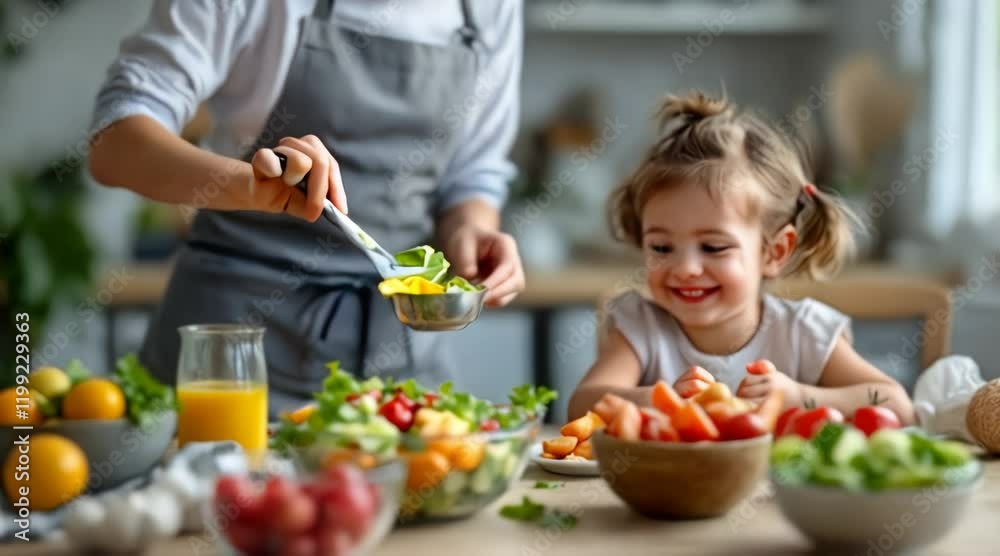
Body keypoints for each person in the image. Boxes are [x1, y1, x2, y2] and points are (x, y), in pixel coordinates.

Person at [87, 0, 525, 416]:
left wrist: (471, 229)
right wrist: (247, 185)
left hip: (399, 371)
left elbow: (473, 174)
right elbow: (114, 143)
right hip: (232, 359)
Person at [567, 91, 915, 424]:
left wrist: (800, 397)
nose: (685, 269)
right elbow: (582, 406)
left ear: (774, 251)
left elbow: (897, 405)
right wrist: (660, 400)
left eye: (713, 248)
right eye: (661, 248)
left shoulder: (802, 333)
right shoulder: (641, 326)